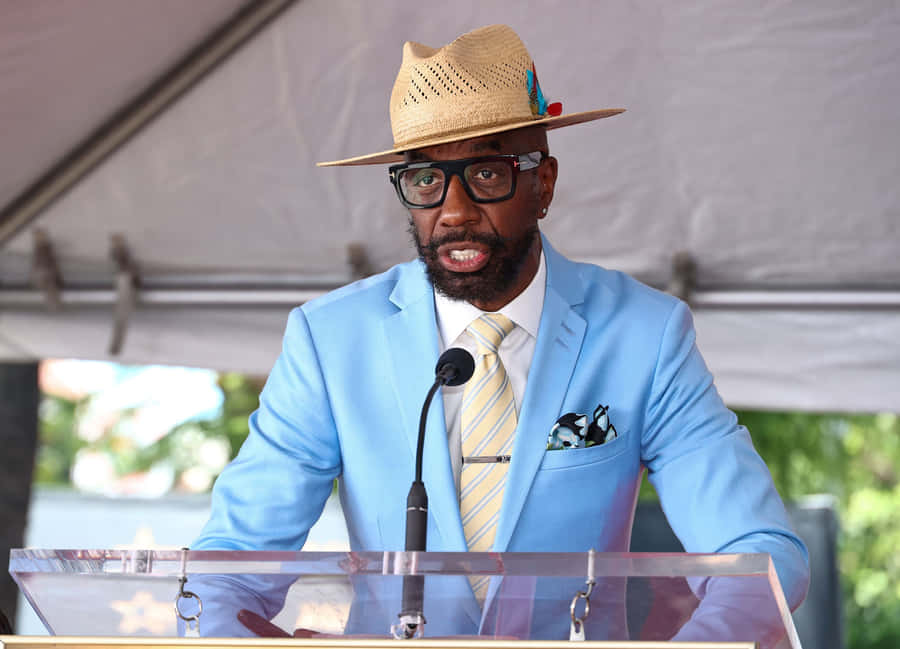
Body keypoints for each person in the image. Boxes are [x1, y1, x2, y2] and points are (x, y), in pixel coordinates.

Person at [192, 24, 809, 640]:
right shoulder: (331, 341)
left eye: (486, 174)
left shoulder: (645, 335)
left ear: (543, 184)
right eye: (426, 179)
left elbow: (758, 555)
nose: (453, 211)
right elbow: (227, 568)